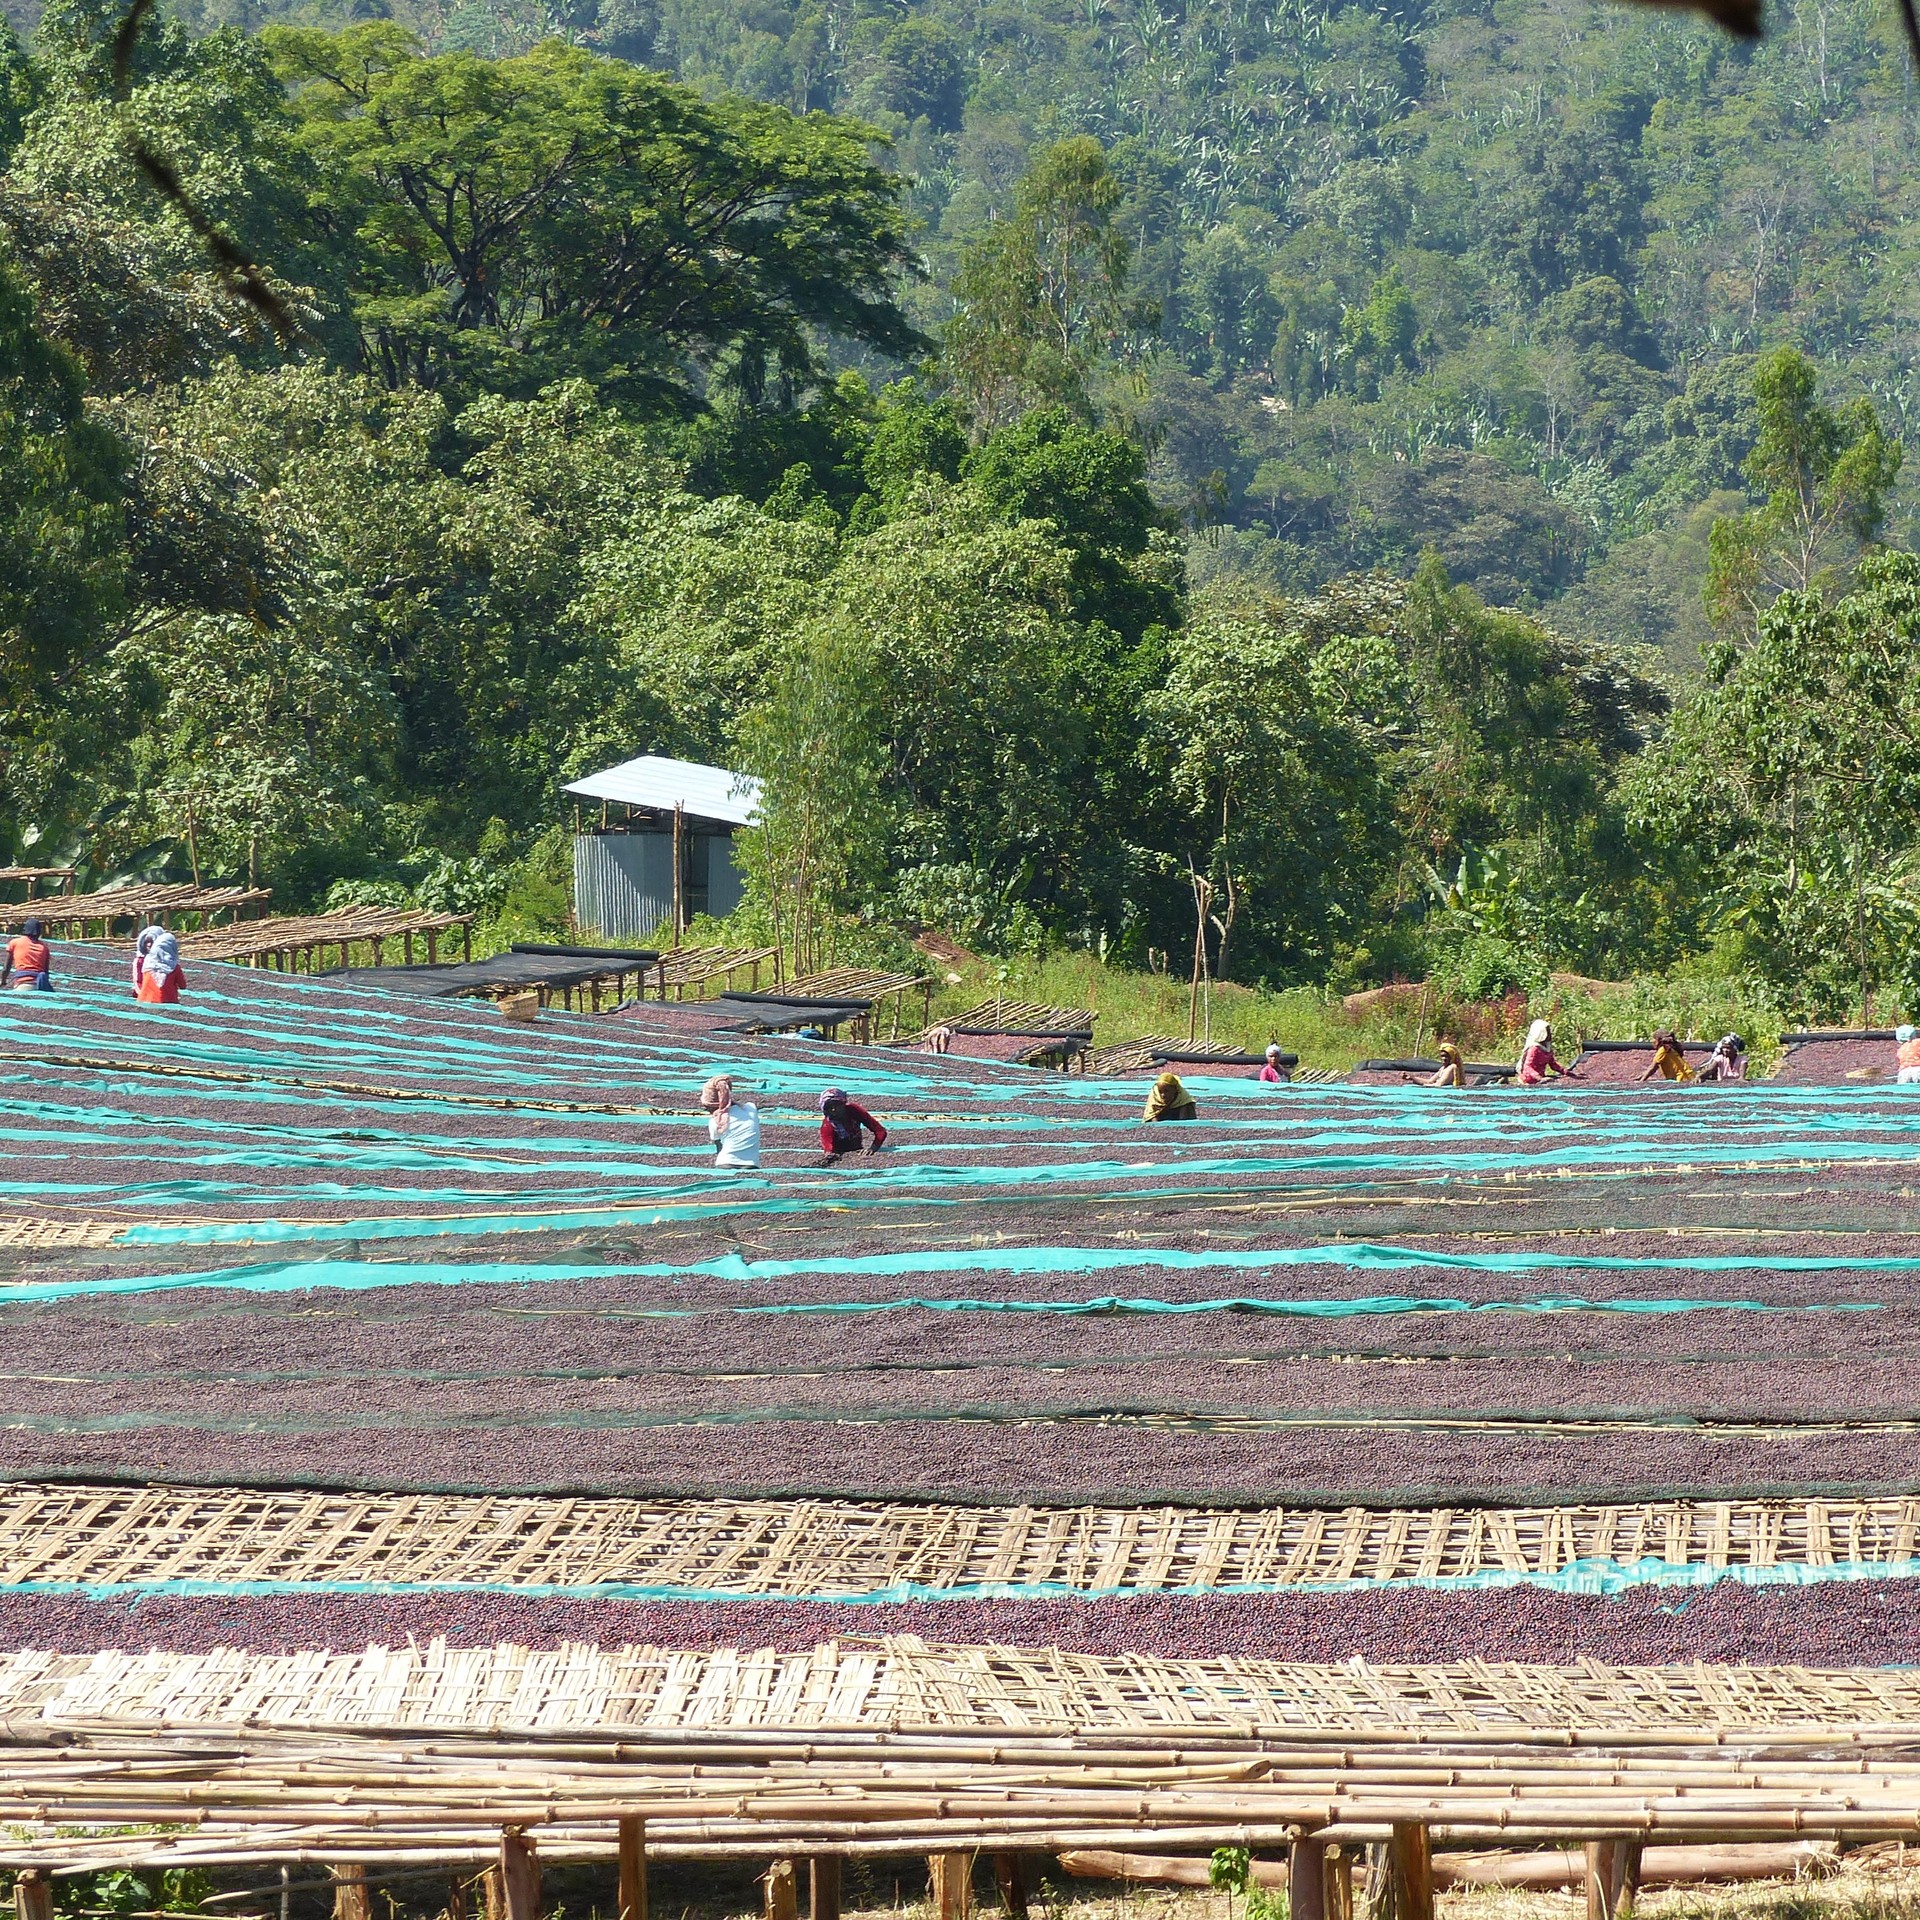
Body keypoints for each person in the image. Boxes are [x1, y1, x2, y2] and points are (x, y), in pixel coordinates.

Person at [700, 1074, 761, 1169]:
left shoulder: (715, 1122)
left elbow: (719, 1148)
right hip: (752, 1165)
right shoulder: (751, 1109)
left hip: (725, 1163)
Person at [820, 1088, 887, 1158]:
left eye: (837, 1105)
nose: (834, 1109)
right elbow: (827, 1144)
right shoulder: (827, 1125)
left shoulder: (854, 1110)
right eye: (829, 1107)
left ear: (843, 1104)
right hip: (839, 1151)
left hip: (857, 1147)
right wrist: (829, 1154)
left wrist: (873, 1148)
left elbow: (880, 1131)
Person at [1517, 1018, 1580, 1085]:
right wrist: (1539, 1078)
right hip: (1528, 1081)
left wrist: (1567, 1072)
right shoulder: (1534, 1049)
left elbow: (1553, 1065)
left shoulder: (1547, 1048)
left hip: (1540, 1079)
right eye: (1547, 1031)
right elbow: (1527, 1067)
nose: (1550, 1034)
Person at [132, 925, 186, 1004]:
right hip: (168, 1001)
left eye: (151, 941)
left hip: (143, 999)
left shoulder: (147, 963)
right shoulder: (174, 967)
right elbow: (183, 985)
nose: (149, 945)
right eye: (146, 942)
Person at [0, 919, 52, 991]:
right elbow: (46, 971)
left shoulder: (15, 942)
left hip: (24, 983)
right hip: (41, 984)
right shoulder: (44, 947)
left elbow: (7, 967)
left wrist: (3, 981)